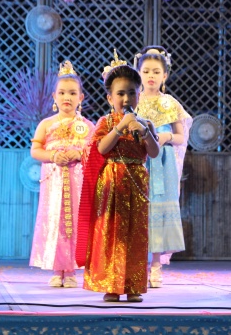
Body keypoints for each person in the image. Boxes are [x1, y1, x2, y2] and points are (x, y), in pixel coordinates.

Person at [78, 51, 160, 303]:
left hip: (137, 183)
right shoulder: (105, 122)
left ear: (139, 94)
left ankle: (134, 285)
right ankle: (111, 286)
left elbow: (154, 153)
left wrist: (144, 132)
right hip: (110, 184)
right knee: (110, 232)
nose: (126, 98)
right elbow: (102, 148)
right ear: (110, 97)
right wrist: (120, 127)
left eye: (131, 93)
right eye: (120, 93)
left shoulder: (145, 123)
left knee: (136, 234)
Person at [29, 61, 95, 288]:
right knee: (55, 221)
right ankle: (58, 270)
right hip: (54, 182)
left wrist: (79, 153)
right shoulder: (46, 124)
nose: (67, 97)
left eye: (73, 93)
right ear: (54, 97)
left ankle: (73, 270)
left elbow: (95, 151)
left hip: (79, 182)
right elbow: (35, 150)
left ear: (81, 98)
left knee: (77, 222)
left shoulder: (88, 126)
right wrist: (53, 156)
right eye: (62, 93)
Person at [134, 46, 192, 287]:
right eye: (146, 71)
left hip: (163, 162)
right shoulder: (133, 101)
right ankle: (136, 263)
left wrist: (166, 137)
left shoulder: (170, 103)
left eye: (156, 71)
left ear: (165, 76)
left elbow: (181, 136)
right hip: (139, 160)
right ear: (138, 73)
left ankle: (156, 264)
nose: (151, 76)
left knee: (158, 209)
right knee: (138, 209)